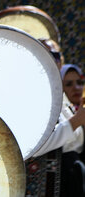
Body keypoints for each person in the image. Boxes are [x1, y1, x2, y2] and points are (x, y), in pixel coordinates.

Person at [30, 39, 85, 197]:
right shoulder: (34, 95)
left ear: (61, 60)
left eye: (54, 54)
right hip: (54, 181)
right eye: (42, 53)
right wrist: (75, 122)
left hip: (72, 174)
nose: (49, 58)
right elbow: (36, 145)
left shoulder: (60, 96)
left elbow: (77, 143)